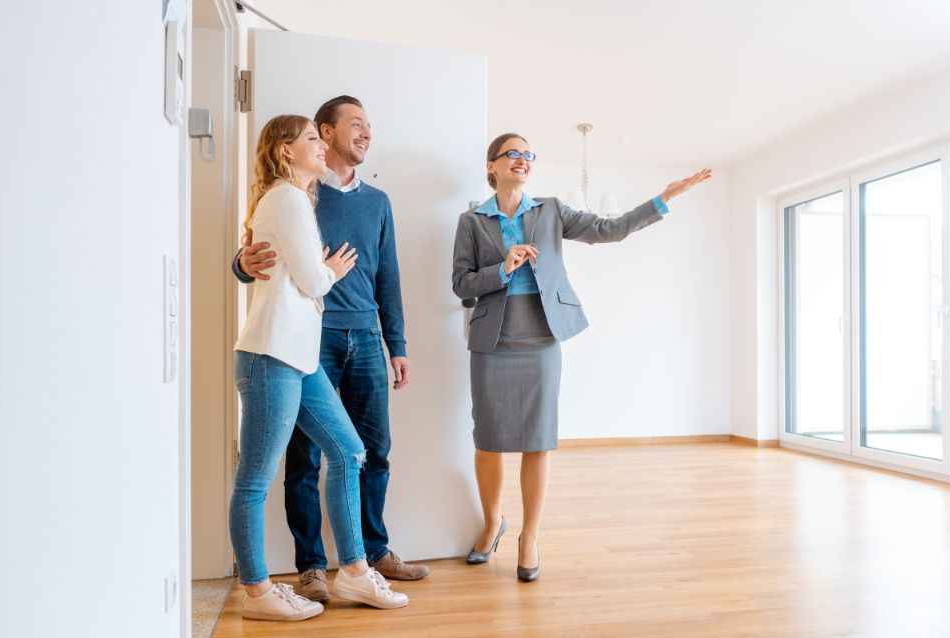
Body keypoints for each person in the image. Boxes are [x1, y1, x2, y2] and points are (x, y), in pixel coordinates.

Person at [452, 132, 711, 581]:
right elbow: (461, 283)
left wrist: (664, 198)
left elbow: (608, 230)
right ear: (491, 165)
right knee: (488, 439)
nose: (523, 159)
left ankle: (529, 536)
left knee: (538, 437)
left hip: (541, 332)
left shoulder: (551, 210)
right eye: (512, 153)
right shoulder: (471, 221)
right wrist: (503, 268)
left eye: (528, 154)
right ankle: (493, 522)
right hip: (492, 338)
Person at [234, 96, 427, 605]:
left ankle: (366, 557)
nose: (365, 133)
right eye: (353, 125)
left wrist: (397, 343)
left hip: (360, 336)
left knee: (365, 451)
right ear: (322, 132)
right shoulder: (298, 193)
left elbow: (389, 277)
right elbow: (265, 245)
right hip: (302, 341)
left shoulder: (368, 201)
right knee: (302, 459)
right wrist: (241, 262)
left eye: (370, 125)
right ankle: (311, 567)